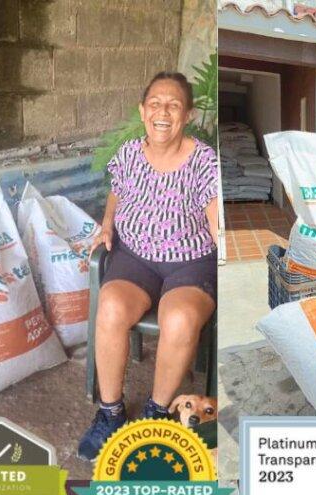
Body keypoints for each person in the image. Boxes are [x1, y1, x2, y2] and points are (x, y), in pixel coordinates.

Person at [78, 71, 218, 461]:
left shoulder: (205, 162)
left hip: (189, 263)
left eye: (173, 105)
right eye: (155, 103)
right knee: (111, 307)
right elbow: (116, 194)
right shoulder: (128, 154)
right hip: (135, 257)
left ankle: (157, 416)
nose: (163, 111)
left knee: (180, 319)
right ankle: (110, 414)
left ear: (187, 114)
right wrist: (107, 223)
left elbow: (214, 218)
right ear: (142, 111)